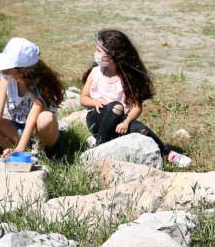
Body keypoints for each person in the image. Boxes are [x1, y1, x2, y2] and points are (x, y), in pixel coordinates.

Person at [80, 30, 192, 167]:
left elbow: (137, 107)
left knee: (141, 129)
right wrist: (94, 102)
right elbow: (83, 98)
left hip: (120, 121)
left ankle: (167, 153)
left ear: (113, 56)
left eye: (99, 51)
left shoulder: (126, 78)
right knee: (116, 106)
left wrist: (126, 122)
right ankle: (100, 147)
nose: (95, 54)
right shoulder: (96, 72)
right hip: (97, 117)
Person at [0, 37, 63, 156]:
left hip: (40, 132)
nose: (3, 71)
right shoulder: (6, 79)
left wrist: (20, 149)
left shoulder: (41, 83)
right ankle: (10, 149)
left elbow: (32, 120)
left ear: (22, 71)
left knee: (46, 119)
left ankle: (40, 151)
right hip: (17, 128)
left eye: (7, 68)